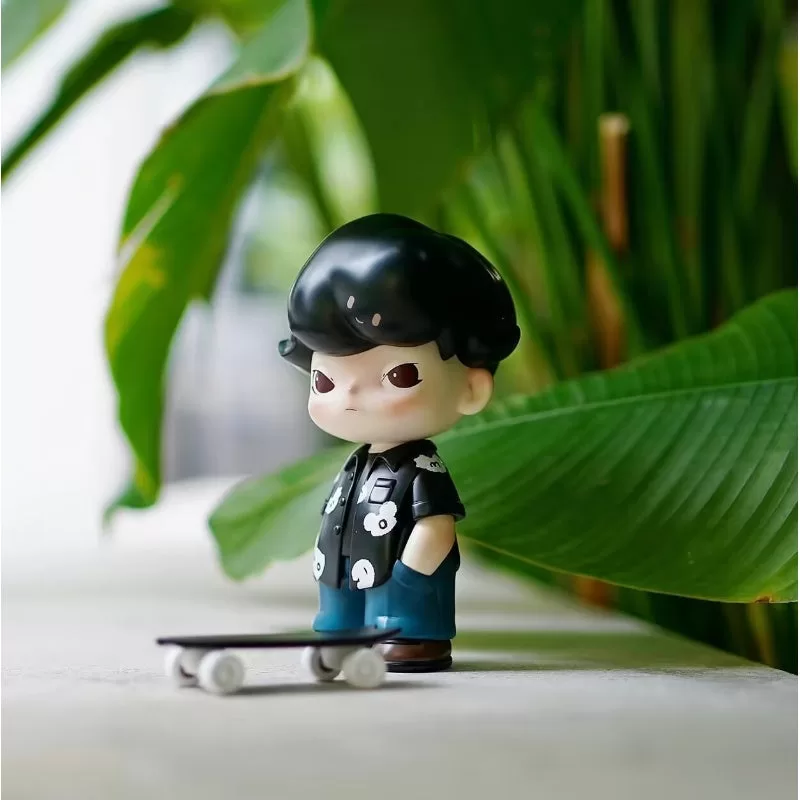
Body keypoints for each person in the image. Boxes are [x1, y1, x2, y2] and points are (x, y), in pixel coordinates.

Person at [279, 213, 519, 671]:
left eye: (398, 375)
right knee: (340, 619)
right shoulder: (357, 463)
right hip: (343, 581)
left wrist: (410, 571)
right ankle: (341, 629)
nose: (349, 397)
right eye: (325, 381)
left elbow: (435, 524)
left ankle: (410, 637)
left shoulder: (421, 469)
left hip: (402, 587)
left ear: (471, 389)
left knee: (402, 618)